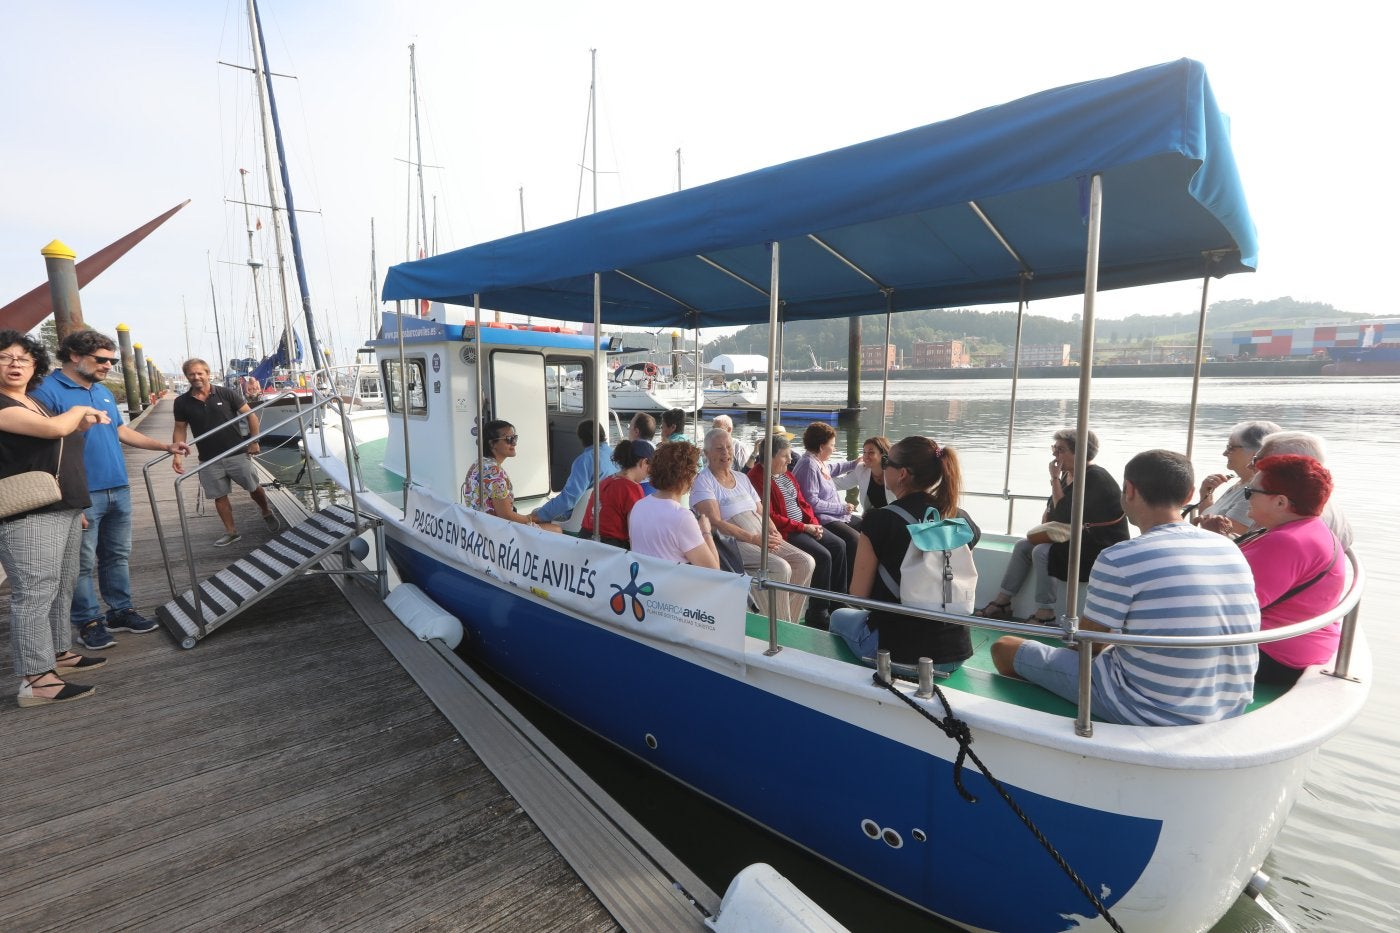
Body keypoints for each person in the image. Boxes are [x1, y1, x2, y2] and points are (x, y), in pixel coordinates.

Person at [991, 449, 1261, 727]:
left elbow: (1089, 645)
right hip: (1230, 704)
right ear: (1190, 494)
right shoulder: (1228, 547)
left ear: (1129, 490)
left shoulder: (1121, 557)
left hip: (1148, 708)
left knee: (1005, 647)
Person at [33, 329, 191, 649]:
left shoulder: (102, 391)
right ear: (74, 356)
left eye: (112, 360)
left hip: (117, 486)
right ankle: (89, 621)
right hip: (80, 491)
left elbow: (121, 431)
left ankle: (120, 611)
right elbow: (39, 447)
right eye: (101, 360)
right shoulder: (46, 391)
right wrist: (62, 497)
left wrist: (165, 445)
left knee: (117, 555)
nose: (108, 365)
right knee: (80, 560)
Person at [0, 330, 111, 707]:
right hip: (28, 513)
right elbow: (55, 430)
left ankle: (59, 652)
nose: (15, 364)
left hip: (61, 507)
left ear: (35, 366)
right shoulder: (2, 404)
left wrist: (74, 508)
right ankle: (36, 680)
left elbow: (58, 443)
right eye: (5, 357)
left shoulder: (32, 402)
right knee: (34, 593)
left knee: (61, 585)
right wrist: (79, 412)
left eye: (24, 359)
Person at [829, 436, 978, 669]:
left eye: (887, 461)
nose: (883, 465)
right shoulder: (959, 517)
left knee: (838, 616)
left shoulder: (879, 520)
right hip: (954, 653)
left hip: (898, 652)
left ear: (902, 474)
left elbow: (858, 596)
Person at [977, 429, 1129, 624]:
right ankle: (1002, 603)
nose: (1054, 455)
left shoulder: (1095, 477)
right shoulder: (1068, 475)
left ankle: (1045, 612)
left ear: (1080, 452)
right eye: (1054, 449)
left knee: (1042, 551)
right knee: (1024, 546)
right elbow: (1054, 513)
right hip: (1075, 537)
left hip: (1097, 546)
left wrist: (1055, 479)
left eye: (1061, 450)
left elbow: (1065, 513)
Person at [1238, 454, 1346, 685]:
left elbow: (1235, 606)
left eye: (1250, 492)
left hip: (1275, 654)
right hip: (1300, 643)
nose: (1246, 497)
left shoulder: (1286, 542)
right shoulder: (1309, 528)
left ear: (1280, 502)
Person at [692, 428, 814, 623]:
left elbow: (760, 510)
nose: (726, 452)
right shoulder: (703, 482)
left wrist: (773, 530)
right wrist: (755, 539)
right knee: (779, 568)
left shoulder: (741, 478)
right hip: (732, 542)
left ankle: (785, 620)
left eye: (729, 447)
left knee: (805, 562)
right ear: (706, 454)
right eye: (719, 448)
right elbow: (715, 523)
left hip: (760, 534)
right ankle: (776, 625)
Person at [171, 358, 280, 547]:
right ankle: (231, 532)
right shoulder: (181, 402)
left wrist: (254, 441)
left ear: (207, 374)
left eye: (200, 373)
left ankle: (266, 511)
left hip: (236, 452)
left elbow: (251, 416)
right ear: (186, 376)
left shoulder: (226, 393)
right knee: (219, 496)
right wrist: (177, 454)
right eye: (191, 374)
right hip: (208, 458)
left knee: (254, 488)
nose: (196, 377)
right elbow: (180, 428)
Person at [748, 434, 846, 629]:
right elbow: (772, 516)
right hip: (787, 531)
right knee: (823, 556)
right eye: (785, 456)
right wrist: (804, 527)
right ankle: (818, 611)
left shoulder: (787, 474)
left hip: (805, 525)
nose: (791, 460)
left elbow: (802, 502)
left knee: (839, 545)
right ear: (771, 457)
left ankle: (838, 601)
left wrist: (814, 524)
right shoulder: (756, 478)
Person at [1240, 431, 1354, 549]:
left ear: (1289, 466)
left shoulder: (1284, 511)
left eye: (1258, 461)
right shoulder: (1322, 503)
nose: (1249, 466)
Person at [629, 442, 719, 568]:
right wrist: (706, 532)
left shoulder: (638, 506)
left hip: (644, 583)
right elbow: (714, 571)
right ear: (687, 476)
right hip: (671, 586)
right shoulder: (682, 517)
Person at [791, 422, 862, 582]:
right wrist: (842, 508)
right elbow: (812, 502)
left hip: (833, 515)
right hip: (821, 518)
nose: (834, 449)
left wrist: (854, 464)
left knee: (866, 527)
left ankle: (859, 581)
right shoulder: (808, 465)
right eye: (832, 445)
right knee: (853, 539)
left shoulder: (817, 461)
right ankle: (846, 587)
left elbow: (833, 468)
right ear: (822, 447)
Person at [462, 420, 562, 531]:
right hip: (497, 530)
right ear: (492, 444)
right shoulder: (494, 473)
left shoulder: (479, 463)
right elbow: (506, 516)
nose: (514, 443)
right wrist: (531, 518)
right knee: (556, 530)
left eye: (515, 438)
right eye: (509, 439)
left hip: (480, 525)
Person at [1189, 420, 1281, 535]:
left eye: (1230, 448)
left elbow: (1230, 536)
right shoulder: (1240, 484)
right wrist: (1206, 494)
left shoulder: (1253, 493)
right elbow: (1208, 522)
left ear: (1255, 453)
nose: (1224, 453)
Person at [531, 420, 617, 525]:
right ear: (602, 434)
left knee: (535, 513)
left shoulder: (584, 461)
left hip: (581, 517)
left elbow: (569, 499)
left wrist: (540, 514)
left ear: (581, 439)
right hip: (606, 513)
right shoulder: (615, 455)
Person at [581, 440, 653, 548]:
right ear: (643, 462)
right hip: (610, 548)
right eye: (650, 467)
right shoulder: (632, 489)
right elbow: (634, 533)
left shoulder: (605, 481)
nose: (649, 473)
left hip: (584, 540)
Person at [832, 435, 893, 512]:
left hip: (896, 517)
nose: (866, 456)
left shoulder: (895, 473)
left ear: (883, 454)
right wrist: (817, 480)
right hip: (873, 516)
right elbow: (841, 483)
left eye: (871, 452)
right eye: (864, 452)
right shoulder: (861, 469)